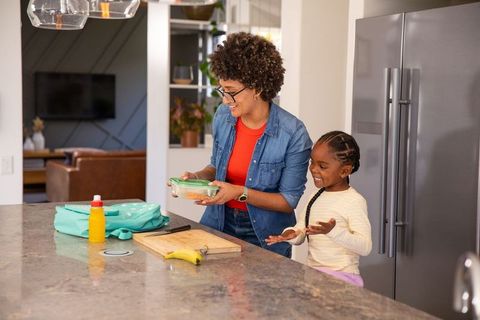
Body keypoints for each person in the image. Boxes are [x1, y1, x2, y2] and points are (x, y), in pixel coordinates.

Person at [180, 32, 312, 258]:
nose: (224, 99)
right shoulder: (224, 116)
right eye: (222, 90)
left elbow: (288, 201)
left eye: (231, 92)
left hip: (265, 235)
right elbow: (216, 166)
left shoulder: (294, 134)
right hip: (218, 223)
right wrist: (197, 177)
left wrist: (239, 193)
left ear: (258, 87)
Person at [266, 131, 372, 286]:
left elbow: (365, 247)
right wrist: (290, 234)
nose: (314, 169)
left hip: (343, 281)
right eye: (312, 162)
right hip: (314, 277)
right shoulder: (314, 197)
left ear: (345, 171)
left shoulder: (354, 201)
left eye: (322, 166)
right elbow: (302, 230)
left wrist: (333, 232)